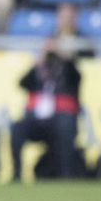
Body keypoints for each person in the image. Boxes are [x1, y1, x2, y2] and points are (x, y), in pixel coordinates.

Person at [8, 42, 84, 181]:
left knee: (65, 126)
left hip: (60, 118)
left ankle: (65, 174)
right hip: (37, 120)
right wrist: (38, 63)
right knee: (17, 128)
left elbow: (77, 78)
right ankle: (16, 173)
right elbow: (22, 83)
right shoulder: (38, 71)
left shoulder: (66, 70)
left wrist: (64, 58)